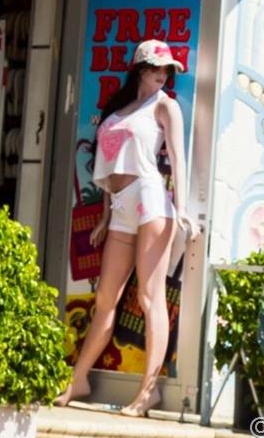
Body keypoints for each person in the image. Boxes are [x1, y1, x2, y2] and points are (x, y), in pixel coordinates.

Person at [55, 40, 199, 416]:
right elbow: (109, 166)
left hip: (150, 199)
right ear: (140, 69)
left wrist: (182, 208)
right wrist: (105, 215)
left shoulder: (165, 106)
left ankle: (148, 391)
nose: (162, 74)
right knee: (106, 298)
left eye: (167, 69)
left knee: (150, 298)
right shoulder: (119, 110)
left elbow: (178, 157)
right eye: (155, 67)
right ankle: (78, 380)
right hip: (120, 205)